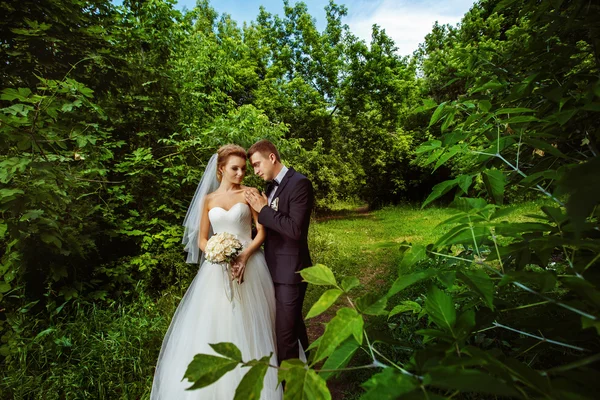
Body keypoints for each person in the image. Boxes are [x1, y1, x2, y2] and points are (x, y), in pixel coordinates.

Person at [150, 144, 281, 399]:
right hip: (217, 269)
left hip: (250, 265)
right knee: (217, 322)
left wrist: (243, 254)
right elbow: (201, 239)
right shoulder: (208, 200)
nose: (241, 174)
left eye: (244, 169)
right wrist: (216, 252)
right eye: (235, 168)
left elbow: (262, 231)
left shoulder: (249, 194)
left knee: (252, 322)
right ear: (221, 169)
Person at [244, 140, 314, 365]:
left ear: (272, 157)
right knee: (292, 325)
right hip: (270, 269)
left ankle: (290, 389)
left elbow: (295, 230)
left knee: (284, 336)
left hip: (291, 272)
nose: (255, 171)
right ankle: (307, 367)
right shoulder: (269, 187)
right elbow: (272, 226)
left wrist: (263, 210)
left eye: (257, 165)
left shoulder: (300, 183)